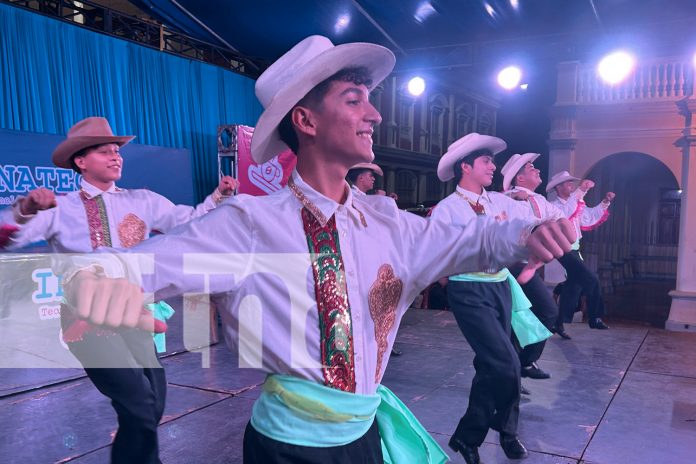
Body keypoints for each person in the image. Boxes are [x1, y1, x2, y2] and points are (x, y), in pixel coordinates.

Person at [61, 36, 575, 463]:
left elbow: (468, 239)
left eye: (368, 99)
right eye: (354, 99)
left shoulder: (389, 225)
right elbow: (128, 268)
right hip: (287, 448)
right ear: (305, 121)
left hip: (364, 436)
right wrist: (92, 289)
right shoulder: (249, 225)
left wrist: (524, 237)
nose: (373, 112)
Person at [1, 116, 237, 464]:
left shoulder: (143, 201)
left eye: (117, 151)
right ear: (80, 161)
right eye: (104, 151)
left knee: (152, 404)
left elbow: (191, 222)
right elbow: (9, 237)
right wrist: (25, 210)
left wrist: (219, 196)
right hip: (88, 320)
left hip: (136, 313)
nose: (116, 157)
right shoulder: (61, 207)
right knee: (138, 405)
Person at [430, 134, 565, 463]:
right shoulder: (447, 210)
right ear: (466, 167)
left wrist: (543, 224)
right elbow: (435, 254)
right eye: (486, 161)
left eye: (492, 161)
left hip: (501, 286)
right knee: (506, 364)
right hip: (467, 290)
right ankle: (477, 433)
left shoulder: (499, 202)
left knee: (496, 364)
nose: (493, 166)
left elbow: (532, 221)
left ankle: (493, 434)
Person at [500, 153, 566, 385]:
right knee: (545, 311)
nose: (537, 170)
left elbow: (560, 216)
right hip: (513, 265)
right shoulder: (512, 198)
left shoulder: (536, 198)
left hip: (526, 265)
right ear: (519, 178)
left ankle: (516, 370)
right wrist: (513, 198)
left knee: (516, 320)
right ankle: (523, 364)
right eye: (531, 168)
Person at [547, 171, 614, 330]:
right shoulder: (554, 206)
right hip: (564, 248)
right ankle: (595, 317)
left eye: (572, 183)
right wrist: (582, 190)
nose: (571, 185)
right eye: (568, 183)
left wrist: (605, 202)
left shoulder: (575, 203)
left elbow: (588, 217)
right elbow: (566, 213)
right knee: (591, 279)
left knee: (574, 284)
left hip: (574, 249)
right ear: (558, 187)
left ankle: (559, 322)